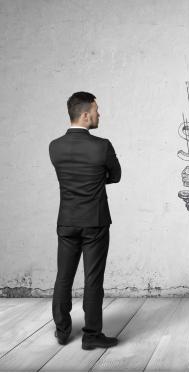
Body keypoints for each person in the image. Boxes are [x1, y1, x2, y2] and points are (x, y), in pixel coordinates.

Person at [49, 92, 121, 350]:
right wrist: (98, 179)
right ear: (85, 114)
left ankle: (62, 330)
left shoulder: (54, 146)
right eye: (96, 110)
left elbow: (67, 177)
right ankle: (91, 335)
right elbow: (116, 176)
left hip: (67, 220)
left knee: (63, 277)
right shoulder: (102, 146)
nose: (99, 114)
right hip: (95, 221)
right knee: (93, 280)